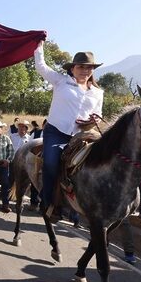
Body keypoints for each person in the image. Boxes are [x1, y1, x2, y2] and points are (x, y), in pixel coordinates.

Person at [34, 41, 104, 221]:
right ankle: (48, 202)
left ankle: (85, 203)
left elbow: (98, 113)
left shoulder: (98, 92)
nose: (85, 70)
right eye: (81, 66)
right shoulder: (60, 81)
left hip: (83, 135)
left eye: (89, 68)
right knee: (50, 163)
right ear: (72, 68)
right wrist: (38, 45)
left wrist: (92, 120)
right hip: (56, 132)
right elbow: (41, 67)